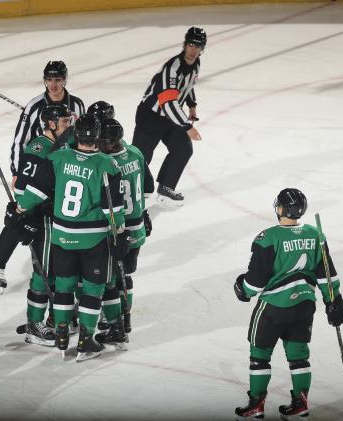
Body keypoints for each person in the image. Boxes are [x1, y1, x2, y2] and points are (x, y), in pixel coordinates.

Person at [13, 114, 129, 362]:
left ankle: (62, 333)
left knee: (64, 284)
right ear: (96, 136)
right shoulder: (107, 164)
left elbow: (36, 190)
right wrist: (119, 233)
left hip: (62, 236)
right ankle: (87, 338)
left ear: (77, 135)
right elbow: (114, 209)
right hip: (93, 238)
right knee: (92, 287)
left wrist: (20, 208)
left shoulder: (58, 157)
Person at [233, 188, 343, 420]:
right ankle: (300, 405)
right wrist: (333, 301)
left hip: (273, 308)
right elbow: (327, 275)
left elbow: (254, 283)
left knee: (259, 355)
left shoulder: (269, 238)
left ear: (281, 209)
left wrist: (241, 290)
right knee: (299, 356)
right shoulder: (316, 235)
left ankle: (255, 405)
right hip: (304, 305)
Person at [0, 61, 85, 290]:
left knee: (49, 221)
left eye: (58, 79)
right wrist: (16, 171)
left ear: (65, 80)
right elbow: (20, 140)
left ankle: (51, 267)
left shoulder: (77, 105)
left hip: (64, 169)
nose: (53, 84)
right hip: (38, 165)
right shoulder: (34, 106)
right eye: (49, 79)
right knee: (22, 216)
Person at [7, 104, 73, 346]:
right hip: (44, 218)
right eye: (64, 122)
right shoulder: (38, 147)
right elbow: (22, 187)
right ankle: (34, 324)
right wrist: (27, 213)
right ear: (51, 124)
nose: (69, 126)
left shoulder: (59, 144)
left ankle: (57, 319)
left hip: (57, 216)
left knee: (58, 269)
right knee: (44, 271)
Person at [96, 117, 154, 347]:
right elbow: (148, 186)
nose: (100, 145)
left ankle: (115, 317)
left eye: (103, 141)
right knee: (126, 275)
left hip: (118, 226)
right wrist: (144, 211)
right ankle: (124, 319)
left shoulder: (107, 162)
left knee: (112, 277)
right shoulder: (136, 152)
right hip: (137, 224)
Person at [132, 27, 206, 207]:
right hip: (151, 116)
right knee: (139, 158)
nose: (193, 50)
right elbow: (168, 102)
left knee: (183, 149)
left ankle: (166, 187)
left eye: (197, 46)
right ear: (184, 44)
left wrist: (192, 105)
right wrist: (187, 127)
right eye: (190, 45)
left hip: (170, 117)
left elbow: (188, 86)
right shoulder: (172, 68)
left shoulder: (195, 64)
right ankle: (130, 194)